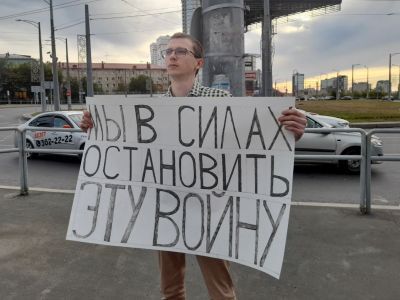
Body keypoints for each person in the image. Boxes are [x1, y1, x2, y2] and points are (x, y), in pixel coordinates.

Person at [80, 32, 307, 300]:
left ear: (198, 63)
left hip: (210, 210)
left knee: (221, 290)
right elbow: (132, 151)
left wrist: (290, 131)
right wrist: (97, 127)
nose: (172, 56)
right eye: (168, 51)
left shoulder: (219, 101)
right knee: (171, 289)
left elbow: (247, 140)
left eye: (181, 51)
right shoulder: (153, 108)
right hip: (166, 208)